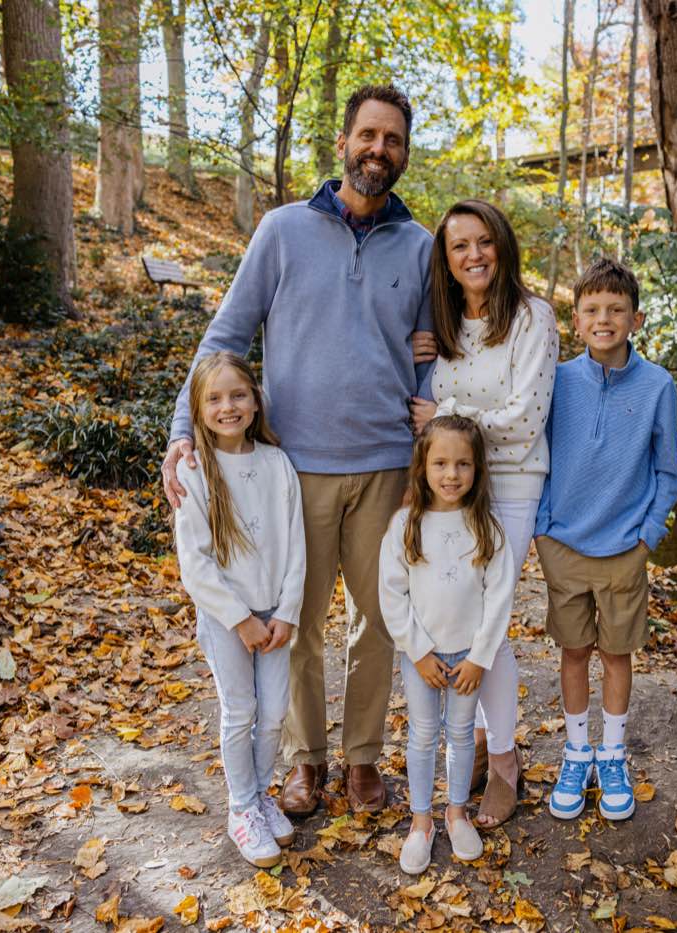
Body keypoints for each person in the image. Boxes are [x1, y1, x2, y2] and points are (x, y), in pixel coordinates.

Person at [162, 84, 436, 816]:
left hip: (385, 466)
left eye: (394, 140)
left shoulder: (420, 246)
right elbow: (224, 336)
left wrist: (430, 428)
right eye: (369, 136)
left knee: (379, 623)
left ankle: (363, 758)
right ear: (343, 143)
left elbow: (434, 353)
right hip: (298, 469)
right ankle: (304, 757)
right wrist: (182, 431)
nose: (380, 150)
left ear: (404, 154)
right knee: (299, 620)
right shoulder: (282, 231)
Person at [408, 200, 558, 828]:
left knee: (488, 622)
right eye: (459, 246)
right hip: (454, 493)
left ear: (502, 246)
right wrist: (423, 360)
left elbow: (525, 423)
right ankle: (472, 748)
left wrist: (447, 418)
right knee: (459, 618)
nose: (473, 255)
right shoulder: (440, 331)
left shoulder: (534, 318)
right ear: (446, 260)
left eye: (483, 242)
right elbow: (420, 411)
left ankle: (502, 763)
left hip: (513, 486)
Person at [534, 258, 677, 822]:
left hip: (625, 551)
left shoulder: (657, 385)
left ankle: (613, 754)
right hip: (564, 547)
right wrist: (544, 529)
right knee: (574, 652)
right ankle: (577, 752)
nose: (604, 319)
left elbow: (668, 472)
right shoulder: (559, 380)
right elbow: (537, 455)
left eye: (616, 310)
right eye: (593, 309)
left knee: (616, 654)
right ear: (576, 320)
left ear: (635, 318)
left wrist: (647, 537)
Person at [172, 352, 306, 867]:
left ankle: (260, 793)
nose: (228, 406)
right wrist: (241, 619)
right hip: (229, 618)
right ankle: (241, 808)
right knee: (241, 711)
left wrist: (287, 612)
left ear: (255, 401)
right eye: (215, 398)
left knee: (273, 713)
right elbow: (195, 563)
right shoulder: (195, 470)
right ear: (198, 408)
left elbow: (296, 544)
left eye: (238, 395)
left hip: (275, 614)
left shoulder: (276, 464)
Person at [378, 416, 516, 874]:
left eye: (462, 464)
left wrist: (480, 657)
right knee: (421, 734)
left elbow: (499, 596)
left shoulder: (487, 527)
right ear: (422, 467)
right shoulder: (405, 524)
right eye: (440, 463)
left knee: (459, 735)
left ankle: (455, 813)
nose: (451, 474)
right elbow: (392, 594)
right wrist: (416, 651)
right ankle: (421, 821)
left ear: (477, 469)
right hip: (422, 656)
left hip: (467, 659)